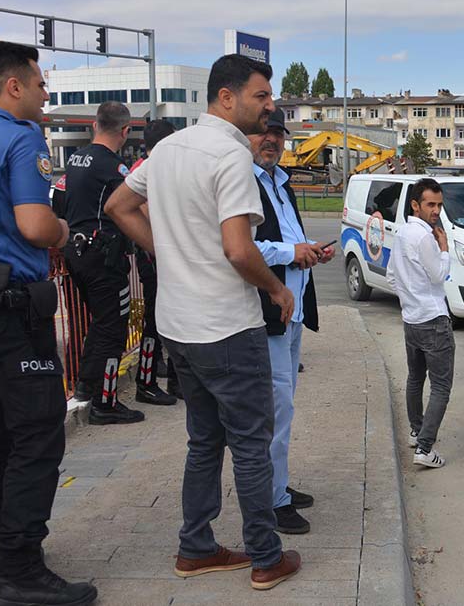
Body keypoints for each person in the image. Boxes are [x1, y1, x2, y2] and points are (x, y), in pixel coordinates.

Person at [105, 54, 301, 590]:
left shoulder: (166, 149)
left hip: (178, 326)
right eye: (261, 96)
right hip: (226, 326)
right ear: (226, 97)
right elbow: (239, 250)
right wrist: (277, 288)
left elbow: (119, 205)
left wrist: (167, 255)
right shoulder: (231, 156)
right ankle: (265, 557)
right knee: (251, 444)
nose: (270, 106)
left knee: (203, 441)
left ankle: (195, 547)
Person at [0, 41, 97, 605]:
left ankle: (3, 554)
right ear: (13, 86)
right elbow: (37, 224)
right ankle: (18, 570)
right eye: (41, 84)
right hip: (9, 311)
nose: (46, 94)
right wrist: (65, 234)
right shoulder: (21, 139)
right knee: (38, 434)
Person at [249, 111, 334, 534]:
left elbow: (287, 240)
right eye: (264, 132)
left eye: (278, 133)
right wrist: (290, 253)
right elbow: (242, 248)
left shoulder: (281, 182)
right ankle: (271, 501)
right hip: (267, 313)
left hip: (294, 311)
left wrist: (311, 251)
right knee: (274, 411)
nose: (271, 140)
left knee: (284, 408)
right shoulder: (242, 181)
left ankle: (277, 486)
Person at [62, 101, 155, 422]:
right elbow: (135, 207)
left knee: (100, 324)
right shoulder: (112, 166)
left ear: (94, 126)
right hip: (103, 255)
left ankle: (87, 388)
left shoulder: (76, 158)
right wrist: (156, 245)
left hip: (76, 252)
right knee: (115, 325)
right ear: (126, 132)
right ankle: (105, 401)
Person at [388, 177, 453, 468]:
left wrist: (408, 298)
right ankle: (425, 448)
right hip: (433, 319)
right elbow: (439, 275)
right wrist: (444, 247)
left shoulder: (401, 234)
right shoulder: (426, 237)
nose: (436, 210)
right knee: (440, 387)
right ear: (415, 205)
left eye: (439, 204)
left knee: (415, 378)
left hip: (411, 319)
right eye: (430, 204)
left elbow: (391, 275)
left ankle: (417, 432)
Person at [132, 119, 182, 401]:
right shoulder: (144, 171)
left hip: (164, 255)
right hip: (154, 257)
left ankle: (174, 381)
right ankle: (147, 383)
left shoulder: (161, 168)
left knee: (171, 319)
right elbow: (143, 211)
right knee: (154, 322)